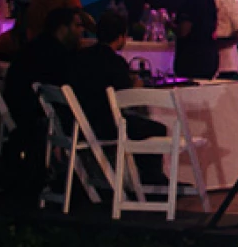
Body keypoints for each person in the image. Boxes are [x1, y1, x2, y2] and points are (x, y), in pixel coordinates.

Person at [2, 5, 84, 203]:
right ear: (63, 28)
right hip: (39, 118)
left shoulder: (33, 48)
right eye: (78, 25)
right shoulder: (58, 56)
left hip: (21, 113)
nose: (82, 31)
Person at [66, 8, 167, 152]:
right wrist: (137, 85)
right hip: (103, 125)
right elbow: (127, 99)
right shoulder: (115, 62)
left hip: (78, 123)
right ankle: (147, 173)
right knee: (157, 129)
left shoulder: (80, 56)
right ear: (120, 37)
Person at [173, 0, 223, 80]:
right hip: (209, 60)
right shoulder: (209, 1)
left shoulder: (189, 0)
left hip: (191, 61)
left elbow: (184, 31)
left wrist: (170, 26)